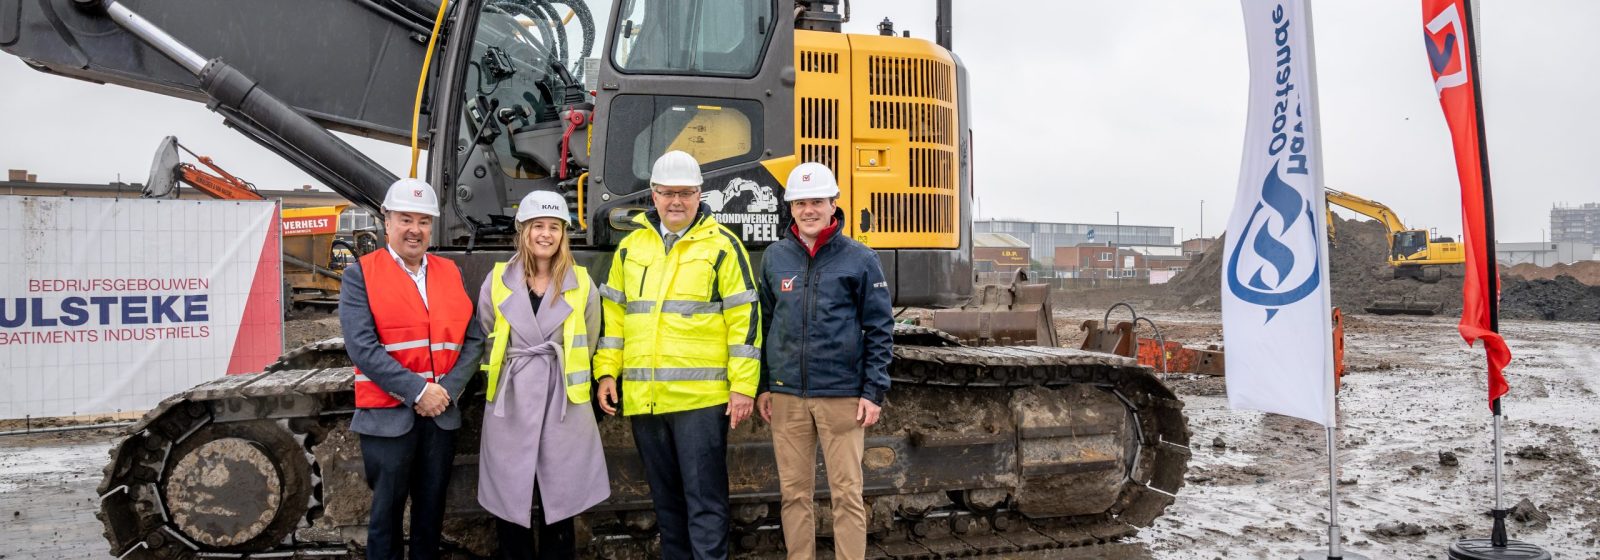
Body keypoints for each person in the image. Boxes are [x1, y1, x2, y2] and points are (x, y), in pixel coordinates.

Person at [592, 150, 762, 560]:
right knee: (667, 507)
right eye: (667, 193)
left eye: (685, 193)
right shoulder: (632, 248)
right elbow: (614, 317)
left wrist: (743, 386)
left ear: (700, 195)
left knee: (705, 503)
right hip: (646, 397)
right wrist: (607, 373)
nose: (676, 202)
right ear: (653, 196)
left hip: (699, 403)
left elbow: (745, 319)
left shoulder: (722, 246)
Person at [339, 177, 485, 560]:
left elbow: (473, 340)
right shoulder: (361, 275)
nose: (414, 230)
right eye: (406, 219)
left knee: (431, 515)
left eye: (423, 221)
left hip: (440, 416)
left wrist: (446, 391)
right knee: (386, 515)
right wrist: (420, 391)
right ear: (387, 221)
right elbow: (362, 348)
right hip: (389, 417)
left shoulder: (449, 271)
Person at [756, 163, 893, 560]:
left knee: (847, 494)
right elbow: (764, 325)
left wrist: (873, 391)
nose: (808, 210)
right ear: (791, 208)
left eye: (816, 201)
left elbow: (880, 330)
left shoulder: (860, 260)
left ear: (834, 204)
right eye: (800, 203)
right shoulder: (774, 258)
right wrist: (765, 384)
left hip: (842, 397)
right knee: (793, 494)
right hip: (787, 398)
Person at [475, 190, 610, 559]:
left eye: (554, 227)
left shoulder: (582, 283)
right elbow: (487, 330)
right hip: (511, 401)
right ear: (523, 231)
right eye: (537, 226)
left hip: (563, 400)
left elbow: (591, 336)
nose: (545, 234)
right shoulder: (498, 279)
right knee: (511, 505)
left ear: (563, 234)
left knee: (559, 505)